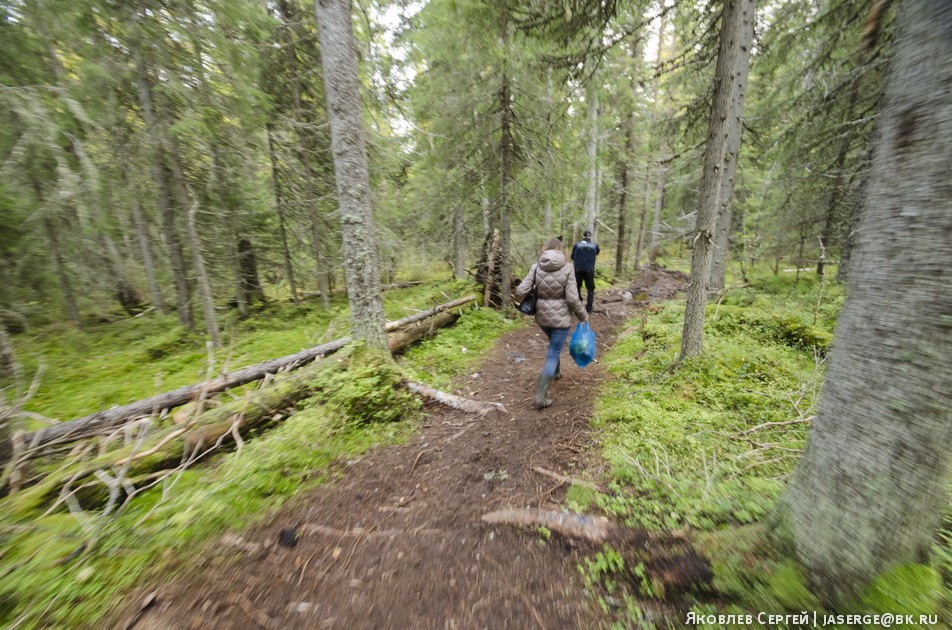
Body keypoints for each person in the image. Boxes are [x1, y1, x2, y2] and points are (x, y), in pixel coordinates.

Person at [515, 237, 589, 409]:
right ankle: (540, 397)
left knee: (554, 346)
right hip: (561, 319)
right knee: (554, 351)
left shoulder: (536, 267)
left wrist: (537, 288)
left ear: (545, 249)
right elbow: (572, 298)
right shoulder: (568, 268)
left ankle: (556, 373)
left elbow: (520, 290)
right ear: (560, 250)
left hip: (542, 317)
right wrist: (583, 316)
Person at [571, 230, 600, 313]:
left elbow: (572, 256)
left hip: (578, 270)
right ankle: (589, 309)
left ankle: (578, 305)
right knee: (590, 289)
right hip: (589, 270)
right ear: (590, 236)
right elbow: (597, 253)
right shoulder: (595, 246)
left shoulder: (577, 245)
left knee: (577, 288)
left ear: (583, 236)